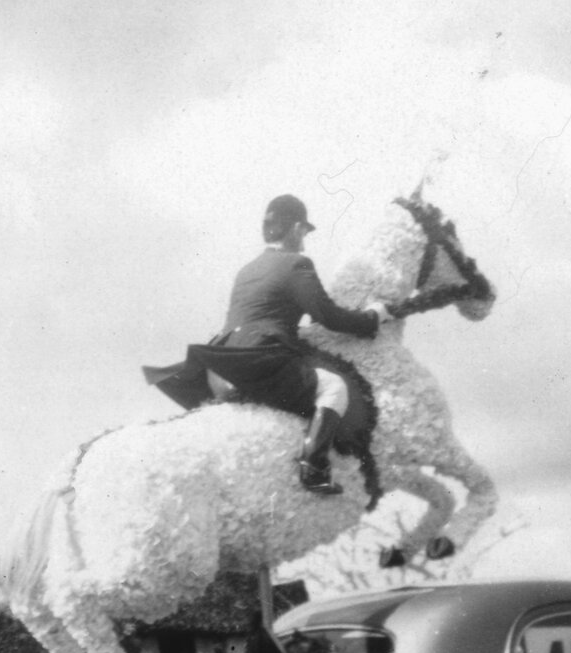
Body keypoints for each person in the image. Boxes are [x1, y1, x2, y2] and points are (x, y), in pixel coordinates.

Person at [148, 194, 392, 496]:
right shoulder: (297, 264)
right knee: (334, 388)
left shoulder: (247, 269)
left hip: (219, 369)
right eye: (304, 232)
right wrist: (372, 318)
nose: (304, 241)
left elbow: (262, 316)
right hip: (258, 364)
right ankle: (313, 468)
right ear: (296, 228)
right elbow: (328, 316)